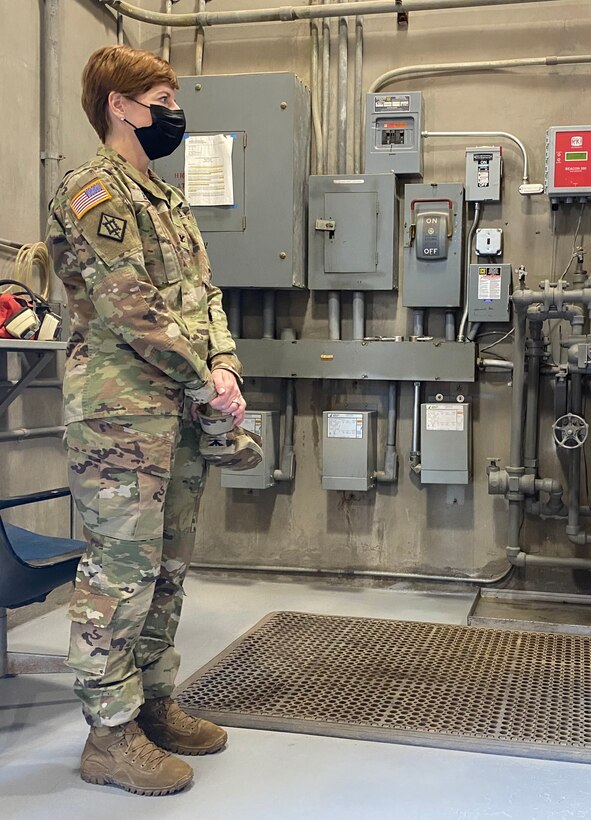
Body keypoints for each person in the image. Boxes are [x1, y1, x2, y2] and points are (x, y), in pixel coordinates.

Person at [46, 45, 258, 796]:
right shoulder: (91, 192)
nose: (173, 109)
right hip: (121, 415)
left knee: (167, 568)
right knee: (120, 570)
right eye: (161, 96)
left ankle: (153, 706)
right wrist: (209, 389)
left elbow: (205, 297)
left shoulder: (165, 200)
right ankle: (108, 735)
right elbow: (134, 312)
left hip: (178, 407)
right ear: (120, 104)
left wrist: (225, 367)